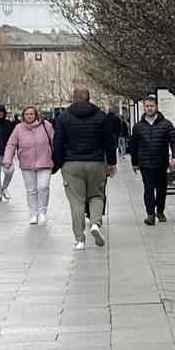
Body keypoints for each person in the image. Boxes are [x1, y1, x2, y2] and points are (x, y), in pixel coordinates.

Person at [52, 85, 117, 249]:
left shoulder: (64, 117)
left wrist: (57, 164)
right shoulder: (100, 116)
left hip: (71, 164)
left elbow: (57, 143)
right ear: (89, 97)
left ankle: (80, 239)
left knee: (77, 201)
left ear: (73, 98)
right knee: (97, 195)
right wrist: (111, 163)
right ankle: (95, 223)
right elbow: (109, 141)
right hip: (96, 163)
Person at [128, 95, 175, 226]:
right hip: (145, 163)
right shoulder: (138, 127)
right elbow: (134, 146)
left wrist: (174, 157)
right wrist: (134, 163)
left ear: (156, 107)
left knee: (161, 189)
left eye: (152, 106)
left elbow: (174, 141)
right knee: (148, 188)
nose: (149, 108)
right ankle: (150, 214)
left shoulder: (166, 124)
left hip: (161, 162)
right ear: (144, 108)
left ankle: (160, 211)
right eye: (147, 106)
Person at [4, 106, 56, 225]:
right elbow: (11, 144)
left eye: (31, 114)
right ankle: (33, 213)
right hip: (27, 164)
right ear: (23, 116)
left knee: (43, 187)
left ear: (36, 115)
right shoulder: (19, 128)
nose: (29, 116)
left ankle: (42, 212)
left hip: (45, 162)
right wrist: (7, 160)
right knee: (31, 190)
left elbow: (54, 141)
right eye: (27, 114)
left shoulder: (46, 125)